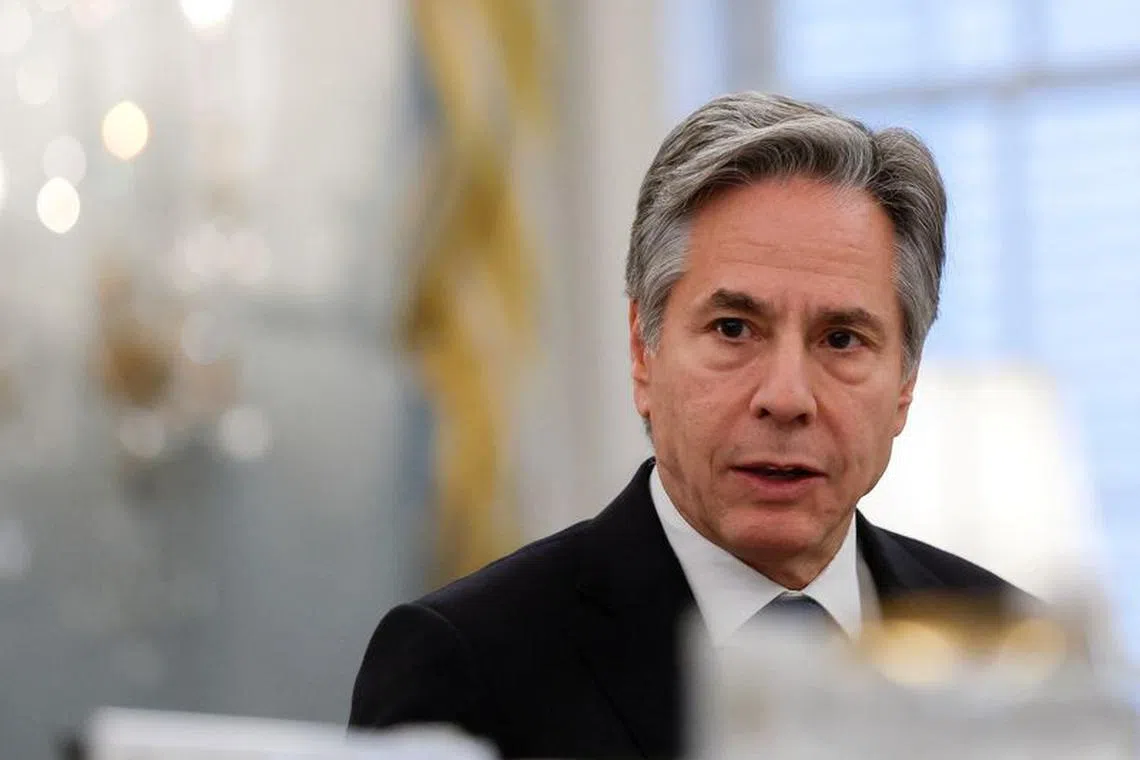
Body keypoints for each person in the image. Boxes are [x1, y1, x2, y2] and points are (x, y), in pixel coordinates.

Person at [349, 92, 1025, 759]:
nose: (786, 397)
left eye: (842, 339)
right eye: (734, 329)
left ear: (905, 383)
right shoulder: (465, 662)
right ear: (645, 353)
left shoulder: (1005, 645)